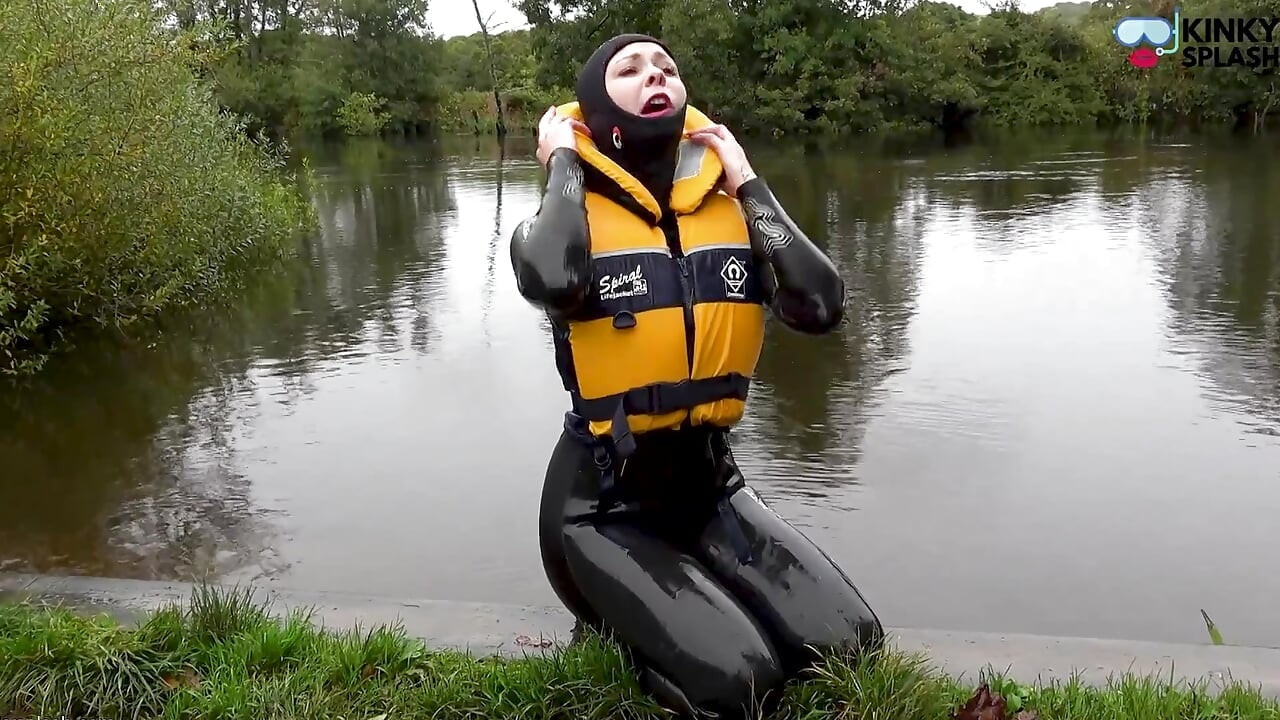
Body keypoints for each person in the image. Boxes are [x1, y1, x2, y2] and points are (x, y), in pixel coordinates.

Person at [510, 33, 884, 719]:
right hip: (601, 513)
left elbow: (822, 304)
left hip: (711, 492)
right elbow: (554, 277)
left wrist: (746, 179)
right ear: (594, 106)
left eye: (667, 67)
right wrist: (563, 158)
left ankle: (678, 608)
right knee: (744, 685)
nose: (655, 74)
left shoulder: (727, 209)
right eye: (630, 70)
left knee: (853, 645)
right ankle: (618, 632)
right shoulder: (563, 219)